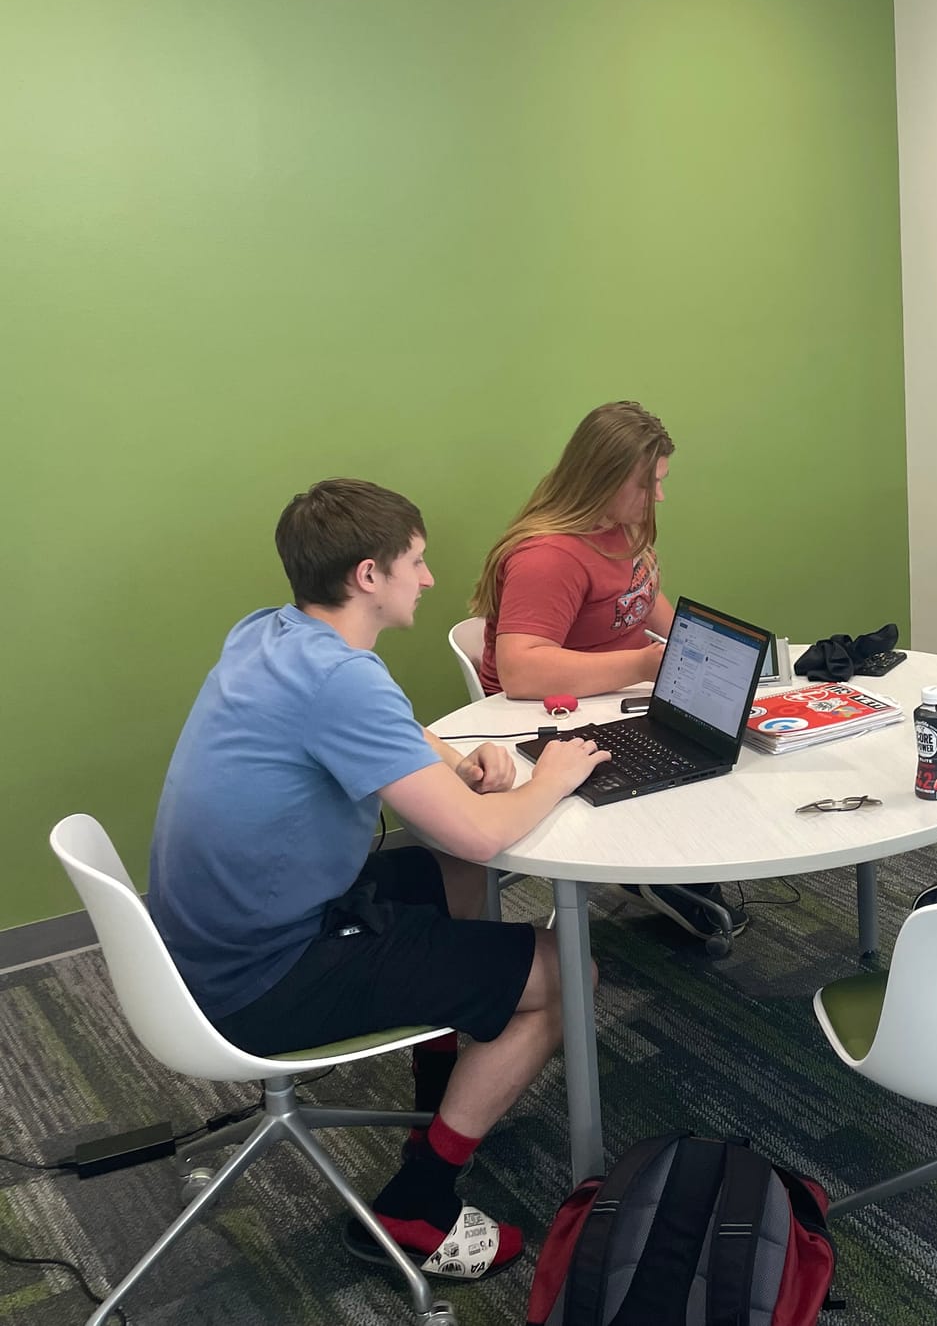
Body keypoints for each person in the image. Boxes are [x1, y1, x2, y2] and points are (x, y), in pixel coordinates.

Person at [149, 479, 609, 1282]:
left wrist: (458, 763)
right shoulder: (340, 679)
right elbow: (480, 826)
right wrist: (557, 774)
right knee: (570, 972)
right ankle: (416, 1206)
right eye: (417, 562)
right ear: (369, 576)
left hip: (208, 946)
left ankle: (443, 1078)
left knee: (458, 866)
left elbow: (403, 736)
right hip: (262, 979)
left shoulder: (272, 634)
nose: (429, 580)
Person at [469, 400, 743, 943]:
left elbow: (643, 603)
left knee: (722, 739)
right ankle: (655, 872)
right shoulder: (549, 556)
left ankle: (673, 870)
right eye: (647, 484)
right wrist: (645, 664)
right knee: (691, 759)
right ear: (604, 478)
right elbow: (521, 670)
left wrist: (696, 644)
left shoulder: (620, 527)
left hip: (614, 694)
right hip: (551, 719)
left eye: (661, 480)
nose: (658, 496)